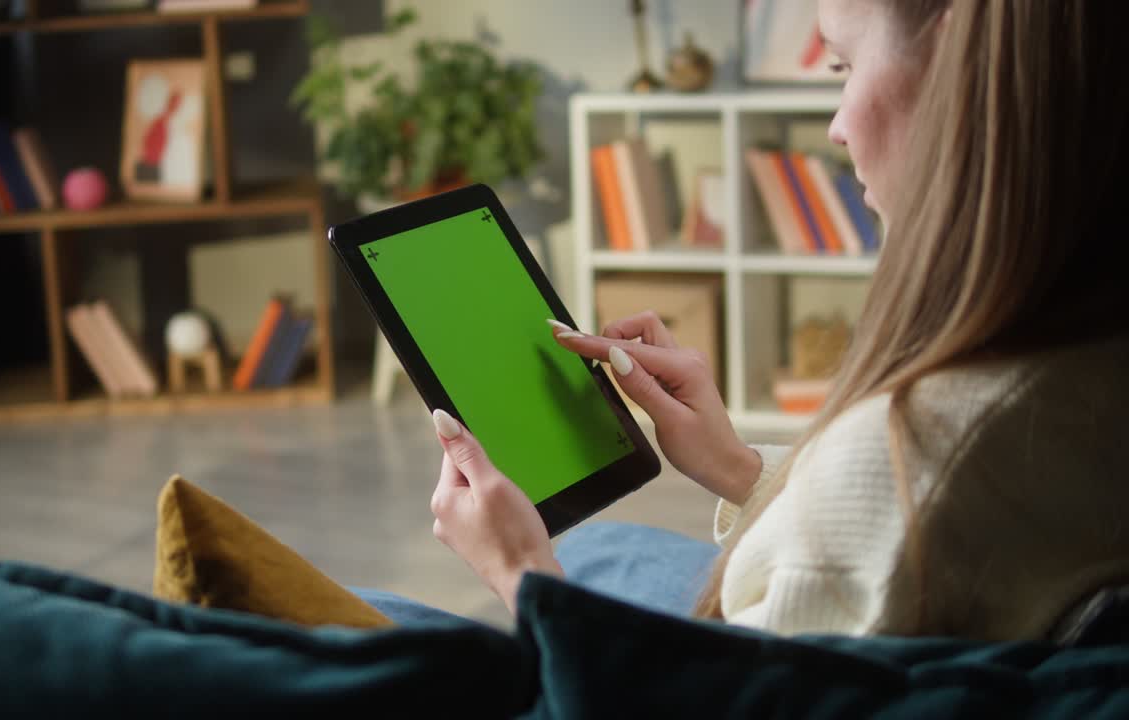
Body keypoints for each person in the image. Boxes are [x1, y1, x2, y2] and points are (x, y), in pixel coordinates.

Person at [360, 0, 1129, 640]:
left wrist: (522, 577)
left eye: (844, 66)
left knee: (368, 622)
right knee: (596, 543)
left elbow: (698, 697)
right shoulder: (1086, 366)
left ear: (968, 77)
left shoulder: (914, 460)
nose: (835, 124)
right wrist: (736, 467)